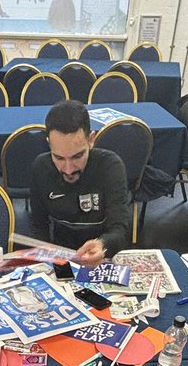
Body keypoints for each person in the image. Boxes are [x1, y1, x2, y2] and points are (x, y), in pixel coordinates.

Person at [29, 100, 131, 266]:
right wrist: (43, 252)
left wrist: (103, 244)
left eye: (77, 156)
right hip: (60, 259)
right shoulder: (41, 168)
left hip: (102, 256)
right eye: (59, 158)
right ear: (49, 144)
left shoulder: (110, 166)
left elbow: (120, 229)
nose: (68, 169)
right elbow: (38, 226)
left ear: (91, 139)